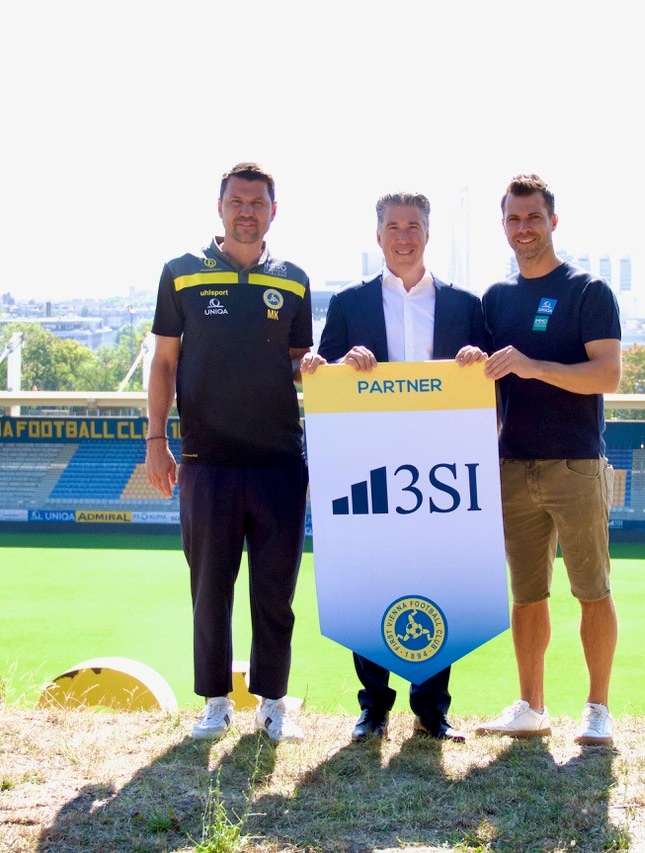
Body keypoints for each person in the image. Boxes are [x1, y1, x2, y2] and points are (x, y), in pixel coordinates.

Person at [301, 191, 488, 743]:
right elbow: (323, 375)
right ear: (377, 235)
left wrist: (477, 363)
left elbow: (486, 382)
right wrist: (338, 364)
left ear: (427, 234)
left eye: (413, 226)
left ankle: (433, 709)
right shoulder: (349, 304)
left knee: (437, 579)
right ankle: (373, 707)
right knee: (370, 579)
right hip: (372, 468)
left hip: (440, 474)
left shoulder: (464, 305)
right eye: (392, 227)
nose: (403, 236)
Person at [146, 162, 312, 742]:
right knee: (209, 589)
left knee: (275, 593)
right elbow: (164, 362)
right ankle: (215, 702)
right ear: (220, 207)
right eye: (237, 202)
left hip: (279, 461)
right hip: (206, 459)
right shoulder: (181, 273)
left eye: (257, 203)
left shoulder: (293, 279)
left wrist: (311, 364)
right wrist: (156, 440)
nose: (247, 211)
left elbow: (295, 361)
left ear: (274, 209)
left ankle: (273, 704)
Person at [473, 174, 622, 746]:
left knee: (592, 590)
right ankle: (531, 706)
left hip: (576, 464)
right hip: (513, 465)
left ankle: (598, 708)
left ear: (553, 222)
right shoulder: (495, 299)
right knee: (526, 595)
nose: (523, 228)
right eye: (513, 219)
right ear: (504, 224)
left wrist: (534, 366)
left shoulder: (588, 291)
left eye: (533, 218)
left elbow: (607, 374)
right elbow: (477, 380)